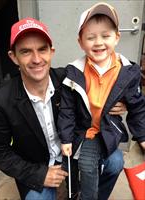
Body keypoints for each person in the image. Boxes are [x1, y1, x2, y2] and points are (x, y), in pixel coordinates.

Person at [58, 2, 145, 200]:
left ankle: (95, 196)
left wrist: (142, 137)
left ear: (117, 37)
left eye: (105, 36)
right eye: (90, 37)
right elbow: (67, 109)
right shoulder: (74, 72)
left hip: (109, 130)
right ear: (80, 42)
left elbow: (137, 107)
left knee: (114, 165)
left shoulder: (127, 72)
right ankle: (83, 194)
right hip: (85, 131)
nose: (98, 42)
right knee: (87, 165)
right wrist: (65, 138)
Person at [0, 17, 68, 200]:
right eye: (26, 51)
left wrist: (118, 101)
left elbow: (108, 72)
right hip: (35, 163)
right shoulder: (0, 100)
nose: (36, 59)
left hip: (70, 153)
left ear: (51, 52)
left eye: (42, 49)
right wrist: (38, 174)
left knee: (114, 161)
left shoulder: (68, 79)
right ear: (14, 57)